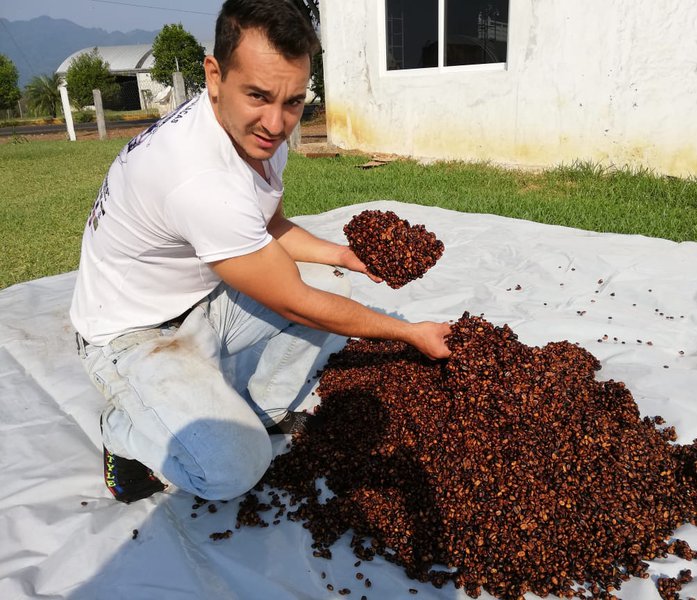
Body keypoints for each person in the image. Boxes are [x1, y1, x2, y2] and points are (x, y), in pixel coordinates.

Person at [70, 0, 451, 504]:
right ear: (214, 74)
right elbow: (292, 301)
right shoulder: (199, 178)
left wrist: (343, 257)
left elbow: (269, 227)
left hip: (200, 302)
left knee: (330, 284)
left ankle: (261, 410)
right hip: (129, 336)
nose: (276, 123)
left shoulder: (255, 136)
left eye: (293, 101)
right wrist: (408, 332)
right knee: (232, 472)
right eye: (258, 96)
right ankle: (123, 432)